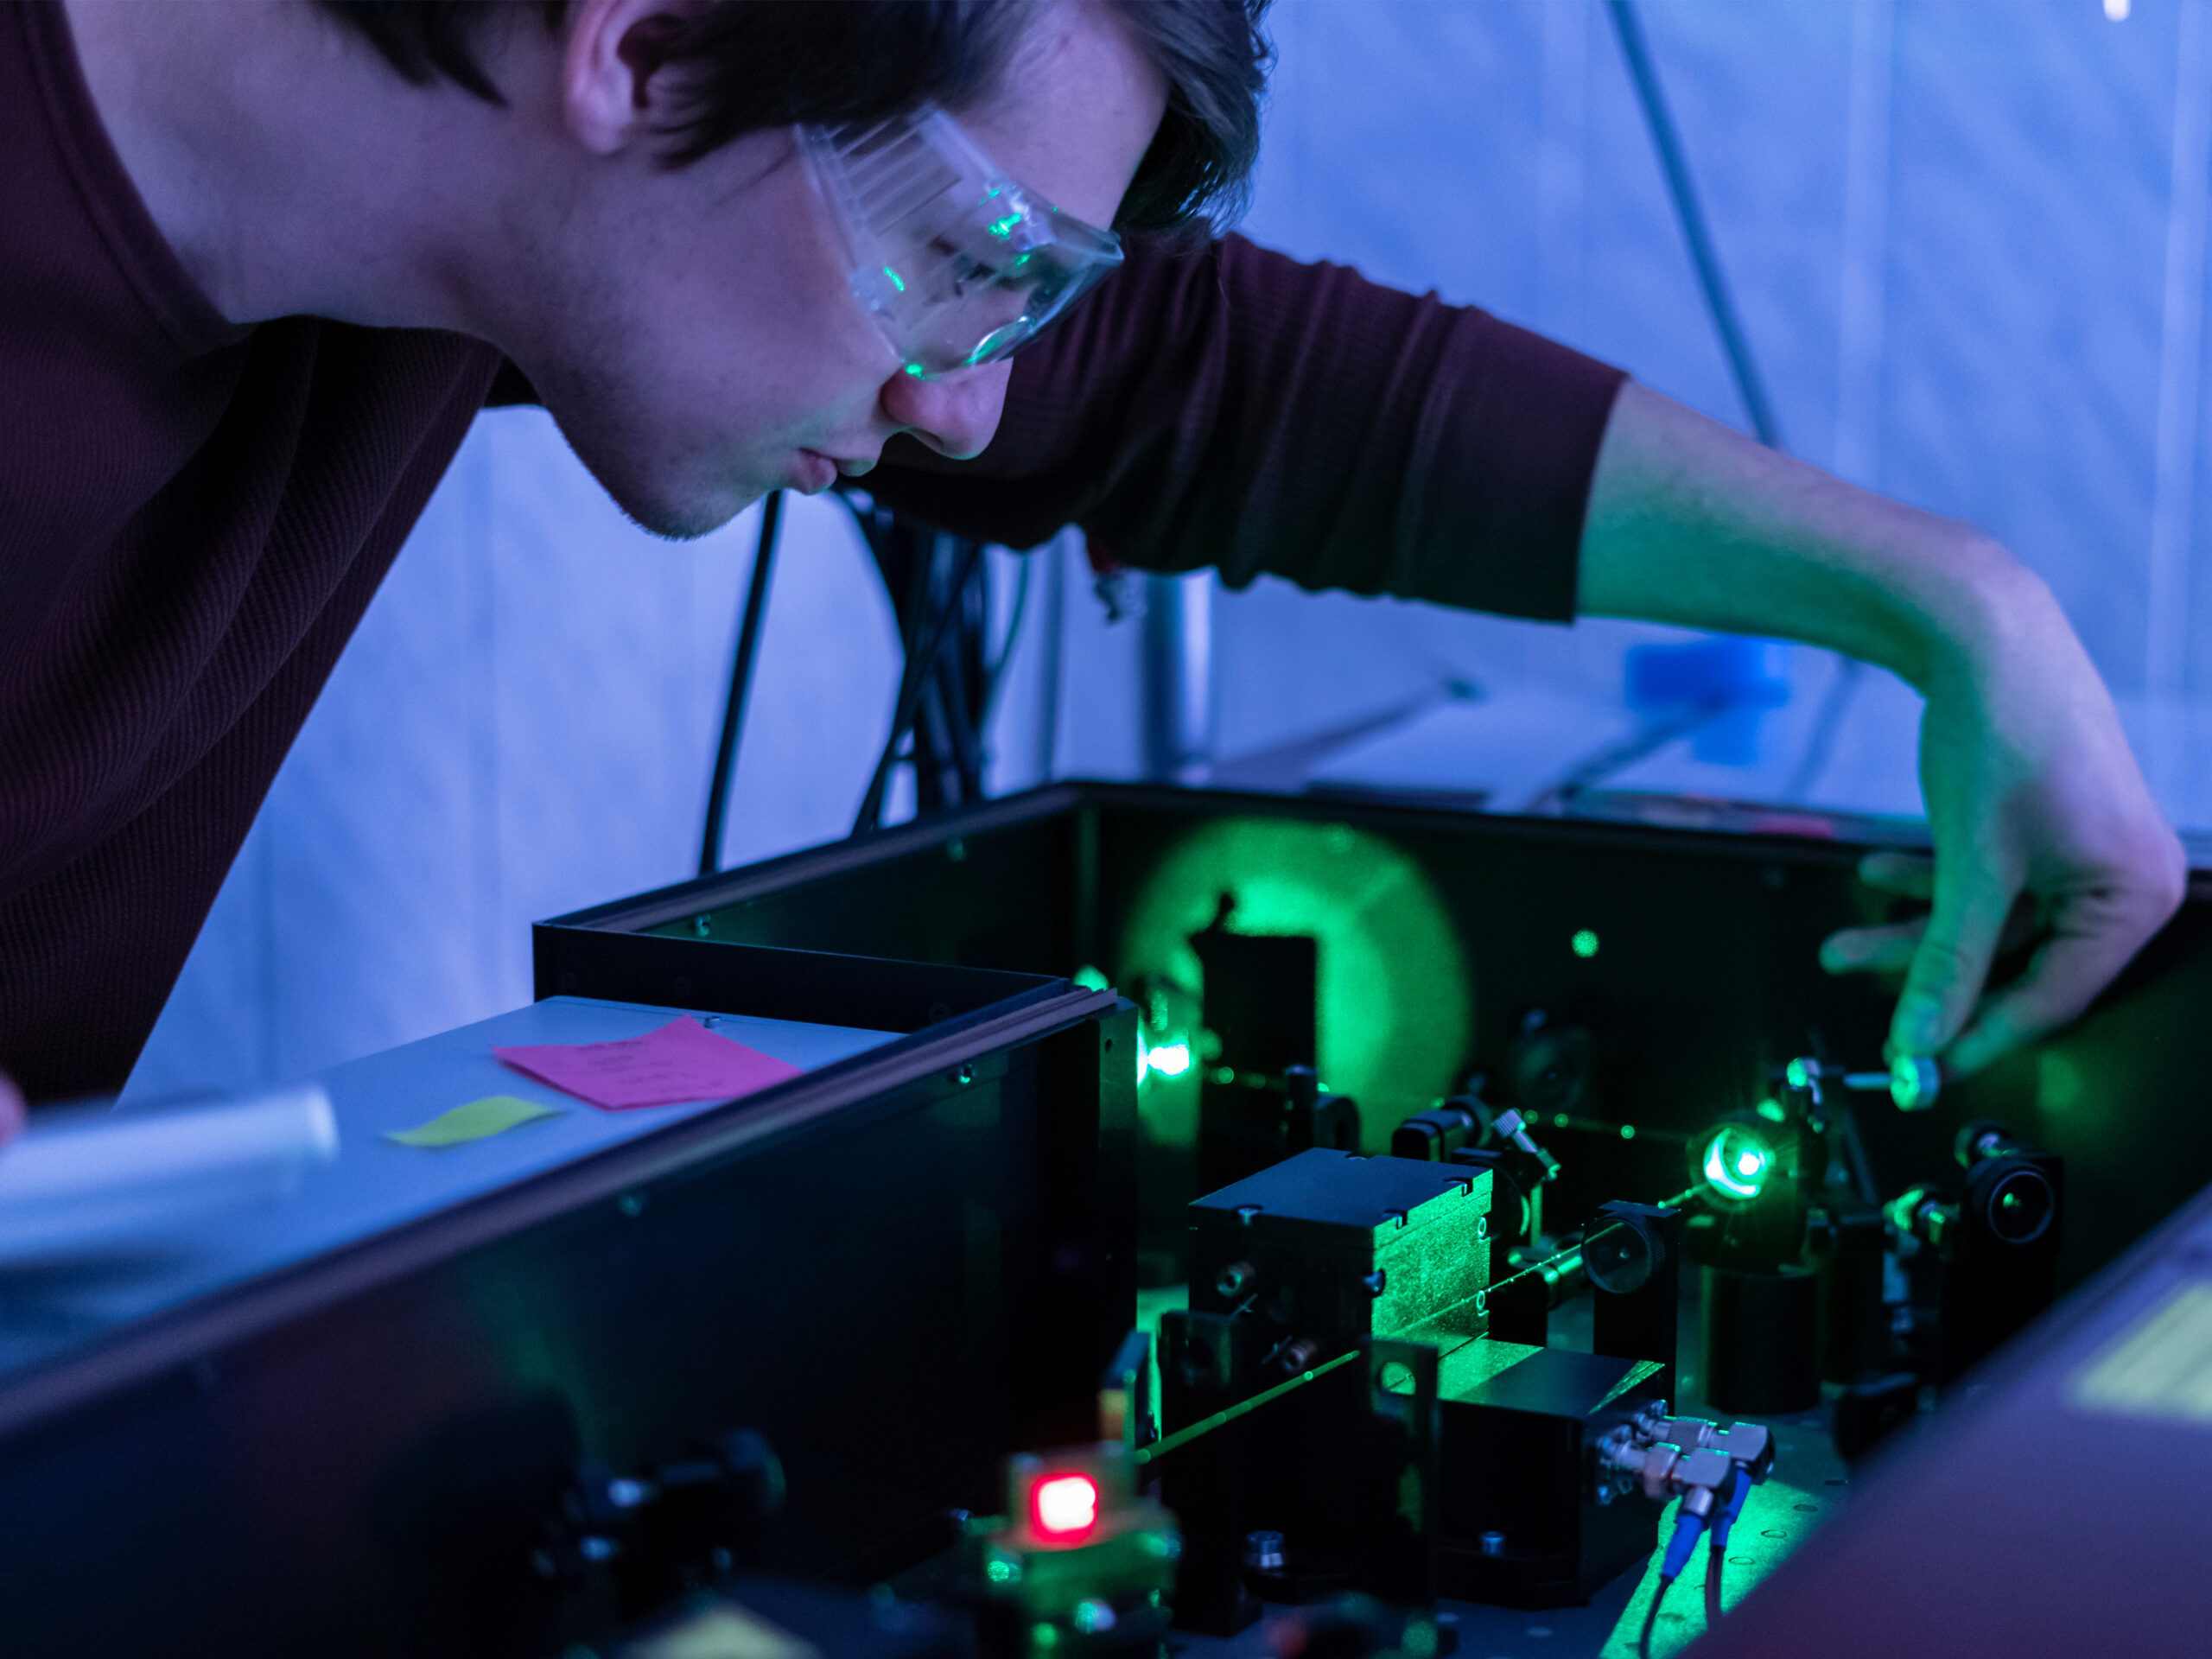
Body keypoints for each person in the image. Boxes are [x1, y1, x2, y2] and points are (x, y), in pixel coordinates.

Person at [0, 0, 2183, 1130]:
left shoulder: (461, 223)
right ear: (645, 41)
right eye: (968, 266)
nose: (961, 406)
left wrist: (1949, 603)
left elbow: (1216, 387)